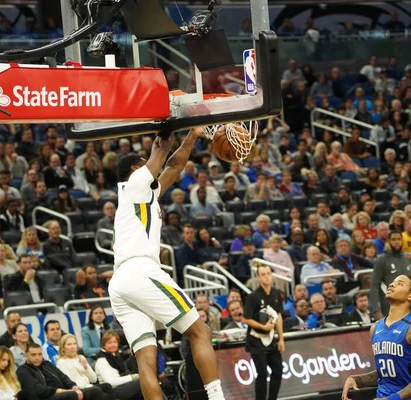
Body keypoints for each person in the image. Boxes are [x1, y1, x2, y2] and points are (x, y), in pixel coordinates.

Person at [110, 129, 225, 400]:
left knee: (145, 360)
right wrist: (169, 125)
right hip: (140, 271)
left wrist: (193, 136)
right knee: (201, 331)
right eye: (144, 164)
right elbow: (161, 152)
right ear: (136, 169)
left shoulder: (141, 196)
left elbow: (174, 165)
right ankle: (217, 396)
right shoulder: (135, 182)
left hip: (120, 284)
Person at [342, 275, 411, 400]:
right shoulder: (375, 327)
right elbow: (386, 373)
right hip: (383, 395)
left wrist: (392, 399)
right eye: (392, 282)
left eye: (399, 283)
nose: (391, 285)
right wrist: (356, 380)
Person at [242, 265, 284, 400]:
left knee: (278, 370)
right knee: (262, 373)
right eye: (263, 274)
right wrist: (263, 327)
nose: (266, 276)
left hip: (271, 340)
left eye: (268, 273)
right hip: (256, 340)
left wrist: (281, 339)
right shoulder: (253, 297)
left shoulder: (277, 293)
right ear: (258, 278)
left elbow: (278, 316)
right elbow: (246, 319)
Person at [370, 230, 411, 320]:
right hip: (389, 307)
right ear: (388, 241)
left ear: (402, 241)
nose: (397, 242)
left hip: (409, 307)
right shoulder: (381, 260)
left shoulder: (408, 259)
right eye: (393, 239)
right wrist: (376, 310)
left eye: (399, 239)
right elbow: (374, 286)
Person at [17, 343, 84, 400]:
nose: (37, 357)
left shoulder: (47, 364)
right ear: (26, 356)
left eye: (39, 354)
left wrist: (73, 386)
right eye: (33, 355)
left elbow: (63, 377)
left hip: (63, 392)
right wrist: (60, 391)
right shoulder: (23, 370)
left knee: (92, 391)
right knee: (71, 395)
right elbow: (37, 389)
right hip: (46, 396)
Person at [55, 334, 114, 400]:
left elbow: (94, 379)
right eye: (69, 344)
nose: (72, 347)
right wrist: (87, 386)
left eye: (74, 344)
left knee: (107, 386)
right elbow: (69, 383)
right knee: (97, 391)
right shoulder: (61, 362)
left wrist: (86, 368)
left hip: (89, 386)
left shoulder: (81, 357)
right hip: (78, 390)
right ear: (63, 348)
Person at [94, 332, 143, 400]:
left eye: (115, 342)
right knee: (142, 382)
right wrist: (132, 377)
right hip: (112, 391)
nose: (113, 345)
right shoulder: (102, 360)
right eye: (109, 343)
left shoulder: (116, 357)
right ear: (104, 345)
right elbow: (111, 382)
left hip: (122, 386)